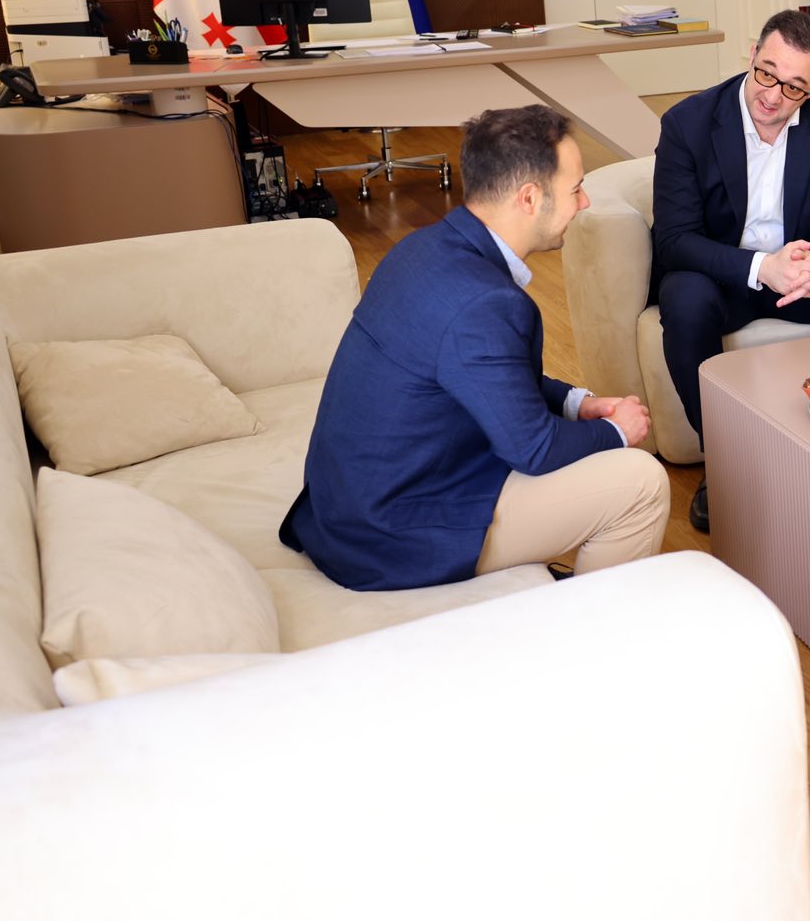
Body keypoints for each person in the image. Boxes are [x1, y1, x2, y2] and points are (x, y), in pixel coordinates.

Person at [282, 105, 668, 592]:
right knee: (642, 483)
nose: (585, 202)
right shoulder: (485, 301)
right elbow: (534, 448)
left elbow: (484, 375)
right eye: (575, 189)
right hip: (389, 537)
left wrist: (577, 403)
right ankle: (587, 630)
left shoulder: (421, 249)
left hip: (346, 508)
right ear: (530, 198)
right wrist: (616, 430)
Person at [653, 8, 810, 531]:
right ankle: (723, 461)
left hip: (802, 281)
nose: (772, 96)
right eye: (766, 73)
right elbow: (675, 240)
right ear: (753, 55)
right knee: (683, 296)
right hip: (727, 280)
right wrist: (762, 266)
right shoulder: (687, 123)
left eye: (793, 88)